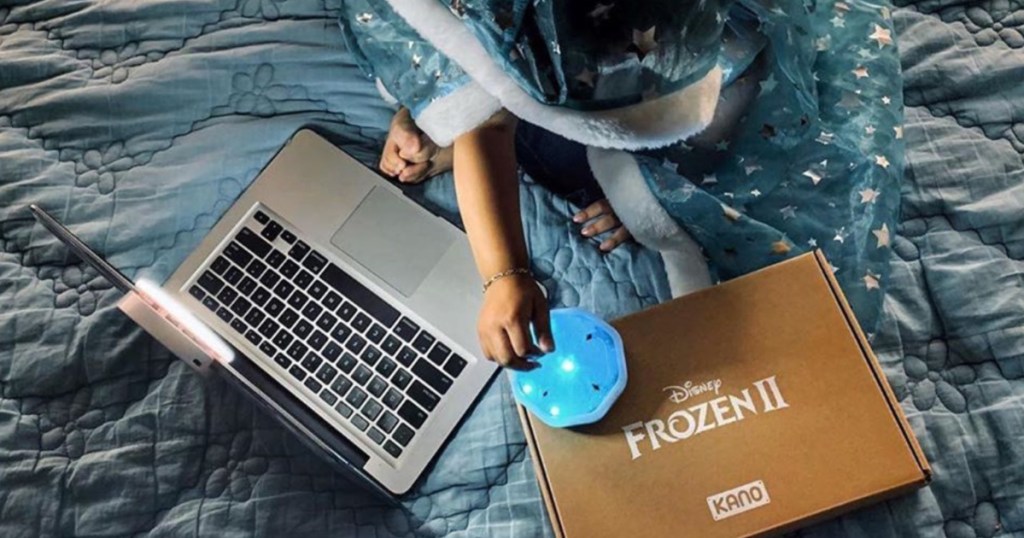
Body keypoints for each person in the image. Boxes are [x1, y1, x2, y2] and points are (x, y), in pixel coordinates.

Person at [340, 0, 904, 369]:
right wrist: (504, 276)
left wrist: (655, 195)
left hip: (692, 31)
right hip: (498, 33)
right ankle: (439, 94)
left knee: (735, 133)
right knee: (488, 105)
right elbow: (490, 126)